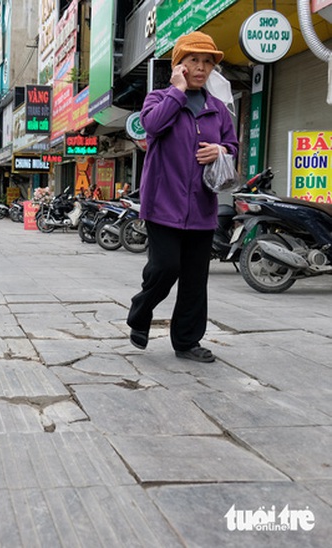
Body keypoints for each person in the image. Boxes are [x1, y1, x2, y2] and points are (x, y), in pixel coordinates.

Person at [126, 31, 238, 363]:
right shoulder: (158, 99)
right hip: (163, 204)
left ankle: (187, 342)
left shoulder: (218, 110)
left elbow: (233, 148)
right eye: (193, 60)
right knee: (164, 267)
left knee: (194, 278)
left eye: (207, 62)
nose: (201, 68)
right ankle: (140, 311)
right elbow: (153, 127)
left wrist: (220, 149)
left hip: (202, 207)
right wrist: (176, 91)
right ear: (179, 65)